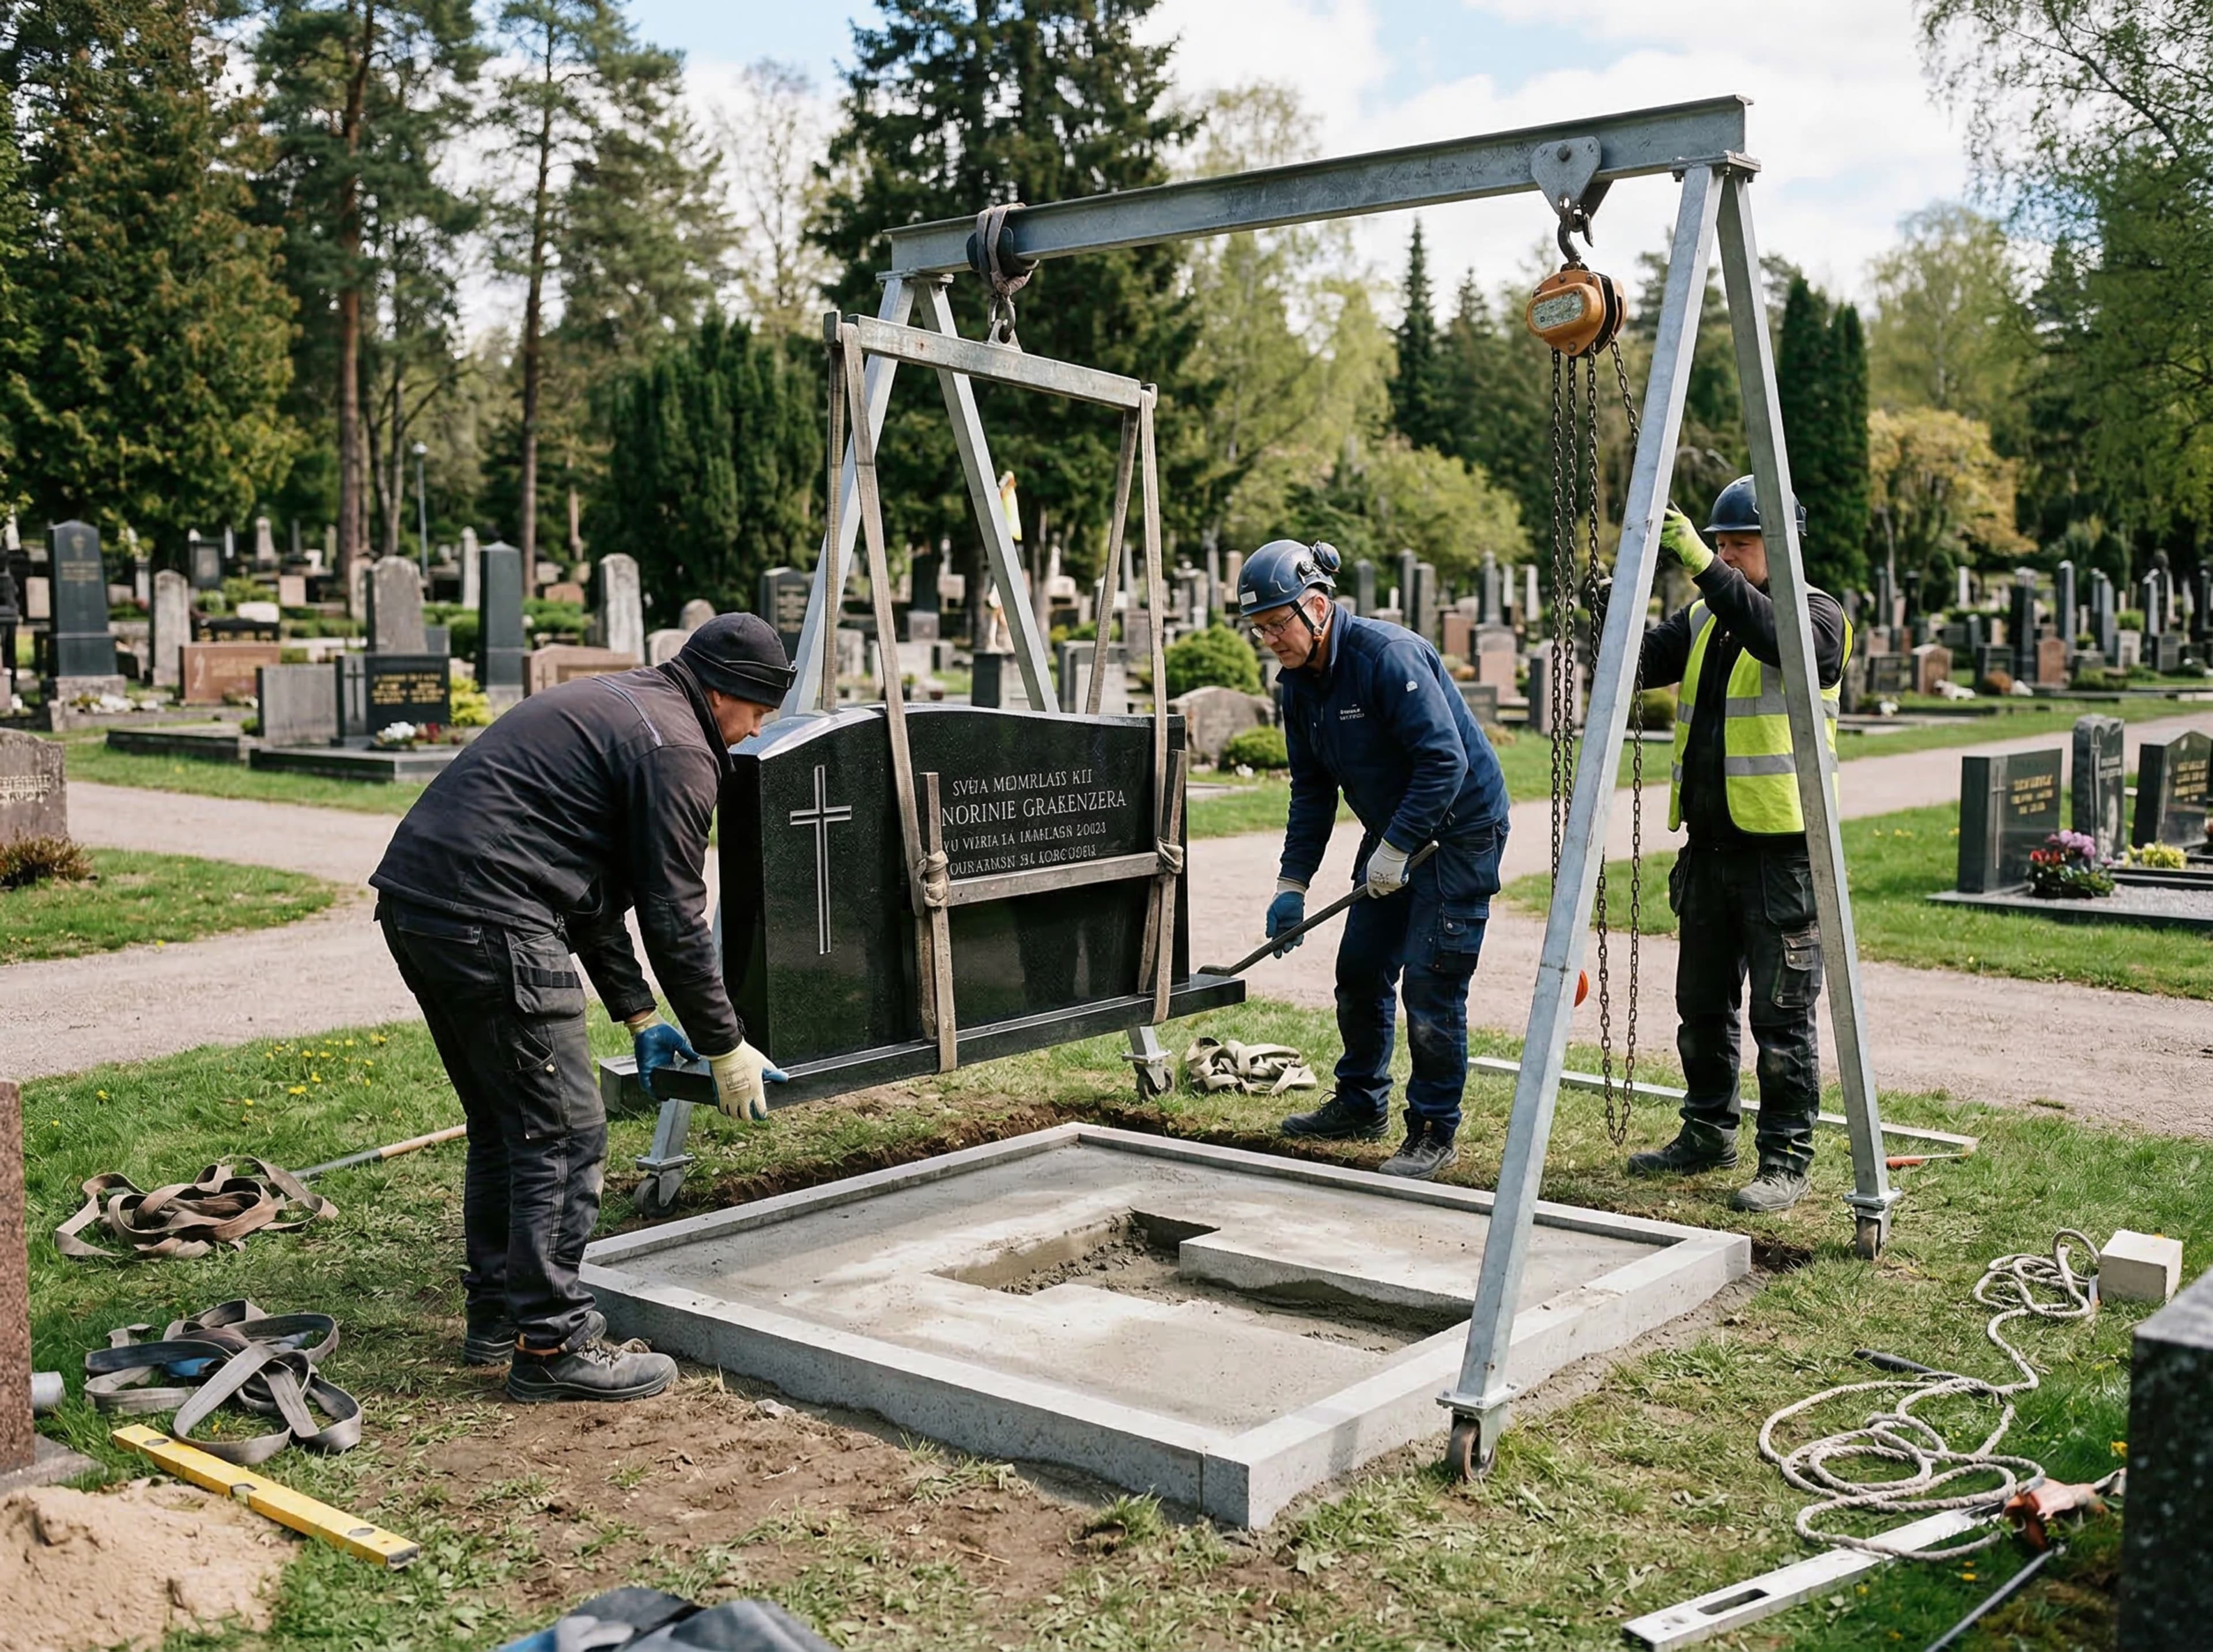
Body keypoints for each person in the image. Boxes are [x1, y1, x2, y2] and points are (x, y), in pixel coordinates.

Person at [370, 614, 794, 1401]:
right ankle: (553, 1344)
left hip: (420, 900)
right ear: (726, 692)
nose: (758, 729)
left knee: (511, 1121)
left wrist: (639, 1016)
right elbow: (674, 916)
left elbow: (595, 896)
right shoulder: (680, 751)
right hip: (489, 911)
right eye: (761, 710)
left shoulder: (632, 706)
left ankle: (500, 1313)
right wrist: (726, 1042)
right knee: (566, 1130)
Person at [1241, 539, 1511, 1180]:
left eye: (1278, 623)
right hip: (1396, 829)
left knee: (1431, 981)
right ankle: (1361, 1101)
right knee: (1360, 969)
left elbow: (1445, 761)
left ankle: (1432, 1129)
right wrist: (1292, 883)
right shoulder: (1298, 687)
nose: (1271, 639)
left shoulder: (1389, 657)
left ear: (1317, 606)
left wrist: (1394, 850)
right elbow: (1312, 791)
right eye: (1260, 629)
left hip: (1457, 830)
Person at [1626, 477, 1850, 1212]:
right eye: (1719, 541)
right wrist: (1612, 595)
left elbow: (1781, 640)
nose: (1725, 552)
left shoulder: (1819, 615)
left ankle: (1786, 1157)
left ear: (1782, 545)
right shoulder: (1704, 617)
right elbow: (1639, 660)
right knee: (1702, 1008)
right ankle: (1706, 1131)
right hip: (1711, 851)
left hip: (1782, 857)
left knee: (1781, 1018)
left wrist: (1699, 563)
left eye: (1739, 542)